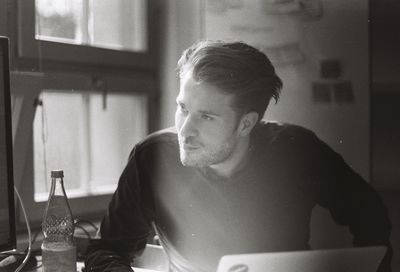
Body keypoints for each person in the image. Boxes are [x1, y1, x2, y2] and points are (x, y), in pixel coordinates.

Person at [84, 40, 392, 272]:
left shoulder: (297, 150)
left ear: (246, 123)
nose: (185, 130)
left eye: (206, 117)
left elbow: (371, 215)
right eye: (182, 108)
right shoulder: (151, 158)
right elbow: (106, 251)